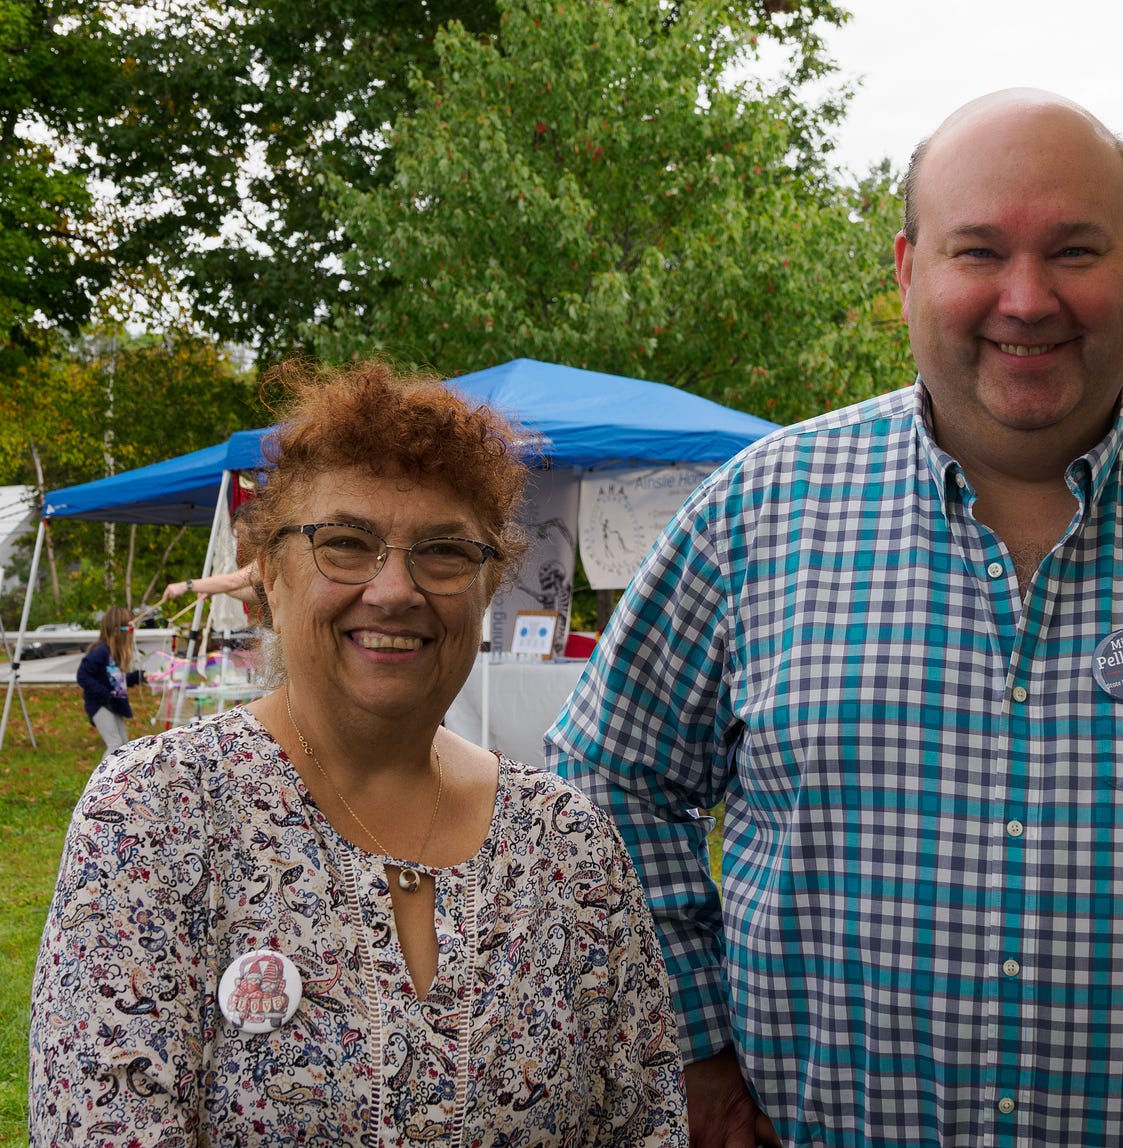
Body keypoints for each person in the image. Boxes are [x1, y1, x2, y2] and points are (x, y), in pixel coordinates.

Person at [547, 89, 1123, 1148]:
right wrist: (694, 1055)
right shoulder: (755, 516)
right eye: (978, 251)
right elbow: (608, 783)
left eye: (1072, 249)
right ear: (906, 270)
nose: (1026, 299)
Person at [33, 361, 688, 1146]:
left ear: (488, 588)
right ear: (270, 576)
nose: (394, 590)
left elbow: (646, 1122)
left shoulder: (568, 846)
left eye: (444, 552)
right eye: (346, 543)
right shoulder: (156, 816)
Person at [75, 604, 144, 752]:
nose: (131, 633)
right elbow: (83, 675)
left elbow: (119, 681)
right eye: (129, 628)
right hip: (100, 705)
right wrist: (103, 693)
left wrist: (140, 676)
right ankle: (101, 776)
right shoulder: (100, 652)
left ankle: (117, 775)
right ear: (117, 630)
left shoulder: (114, 655)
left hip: (113, 705)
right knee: (115, 745)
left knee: (124, 745)